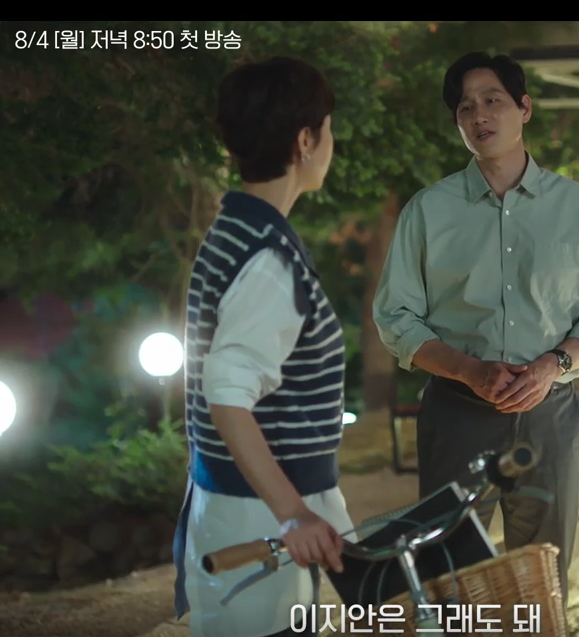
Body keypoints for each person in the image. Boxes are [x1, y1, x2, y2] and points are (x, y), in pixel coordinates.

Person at [371, 51, 579, 607]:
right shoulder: (428, 211)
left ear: (524, 108)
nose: (479, 115)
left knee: (543, 581)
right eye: (465, 108)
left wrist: (551, 366)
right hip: (456, 415)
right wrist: (469, 370)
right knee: (448, 581)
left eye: (493, 101)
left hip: (549, 418)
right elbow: (395, 316)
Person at [172, 56, 354, 637]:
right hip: (259, 526)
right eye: (327, 129)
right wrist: (294, 514)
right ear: (305, 141)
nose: (331, 143)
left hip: (244, 510)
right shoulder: (268, 259)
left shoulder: (237, 230)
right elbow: (227, 396)